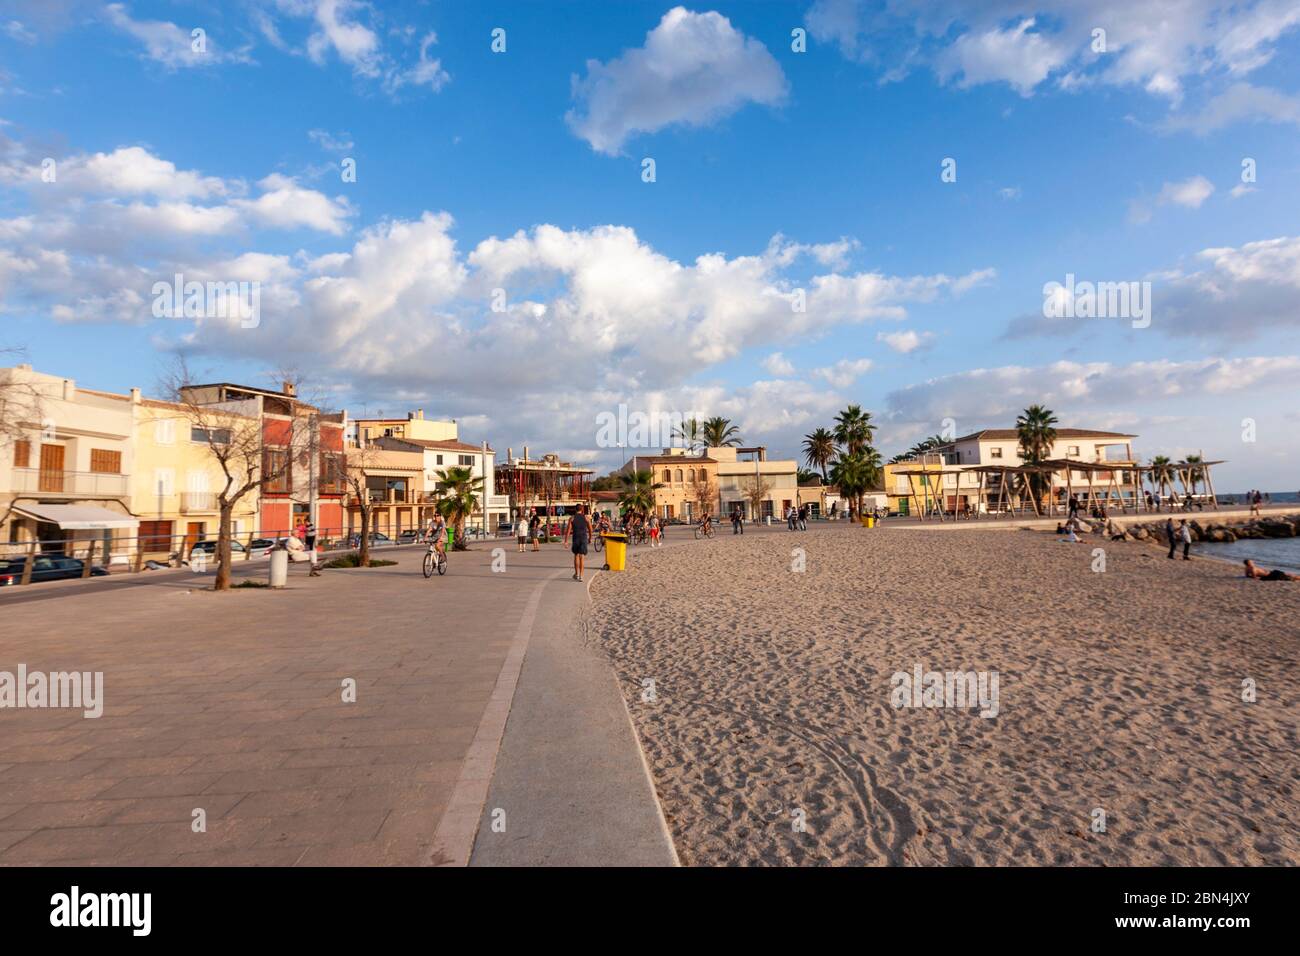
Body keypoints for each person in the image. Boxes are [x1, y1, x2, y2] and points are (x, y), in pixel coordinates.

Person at [564, 504, 591, 582]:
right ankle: (582, 576)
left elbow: (568, 530)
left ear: (575, 510)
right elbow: (590, 529)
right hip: (583, 538)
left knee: (576, 555)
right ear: (582, 509)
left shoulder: (572, 518)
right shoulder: (586, 518)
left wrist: (566, 541)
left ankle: (577, 574)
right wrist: (589, 538)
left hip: (576, 538)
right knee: (582, 556)